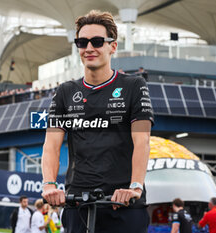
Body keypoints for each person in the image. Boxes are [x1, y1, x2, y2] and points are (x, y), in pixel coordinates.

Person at [42, 10, 153, 233]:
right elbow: (51, 145)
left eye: (97, 41)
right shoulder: (65, 92)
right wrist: (49, 184)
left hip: (124, 202)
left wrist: (135, 187)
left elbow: (142, 142)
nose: (89, 48)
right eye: (82, 42)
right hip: (77, 203)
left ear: (113, 46)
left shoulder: (134, 86)